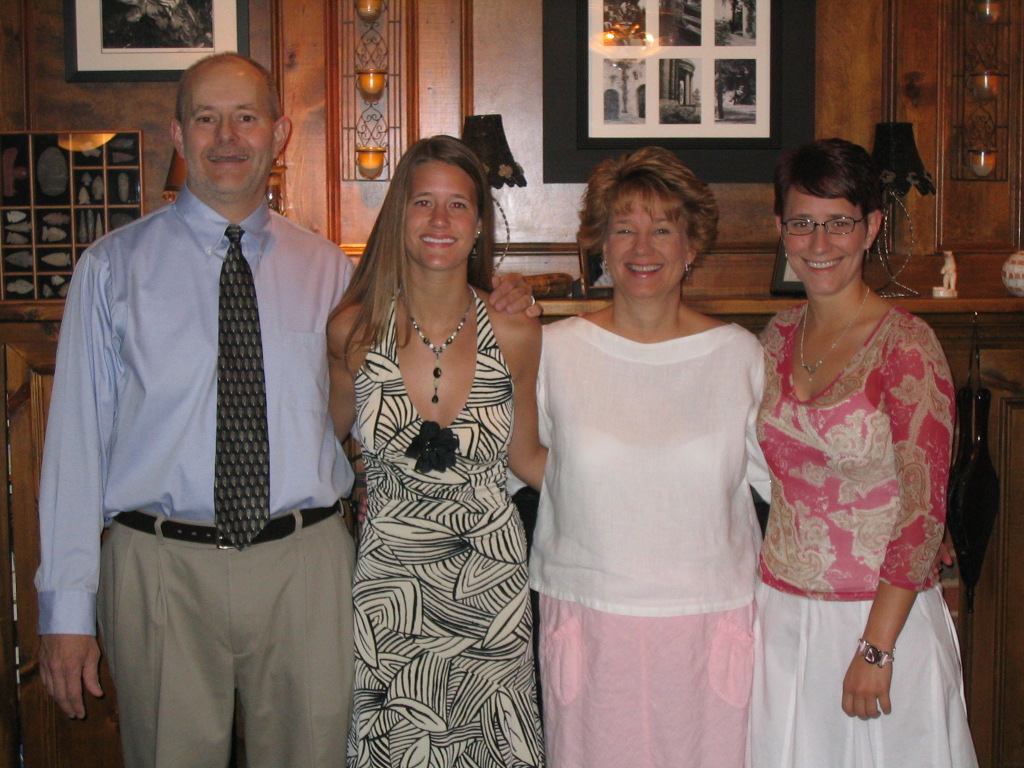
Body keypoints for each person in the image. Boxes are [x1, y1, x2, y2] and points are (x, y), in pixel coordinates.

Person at [35, 54, 537, 768]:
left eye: (246, 117)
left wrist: (502, 298)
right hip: (160, 568)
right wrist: (65, 610)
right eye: (206, 118)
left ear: (278, 134)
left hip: (305, 564)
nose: (227, 136)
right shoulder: (113, 270)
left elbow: (420, 353)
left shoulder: (332, 272)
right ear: (178, 135)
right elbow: (74, 449)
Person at [527, 146, 770, 768]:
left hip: (711, 622)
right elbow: (515, 462)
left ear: (692, 245)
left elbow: (788, 488)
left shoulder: (739, 357)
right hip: (589, 622)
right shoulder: (555, 352)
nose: (642, 247)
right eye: (623, 229)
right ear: (601, 245)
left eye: (662, 229)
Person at [750, 137, 978, 768]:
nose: (819, 242)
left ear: (872, 227)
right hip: (781, 617)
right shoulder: (775, 338)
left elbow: (922, 512)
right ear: (781, 228)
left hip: (880, 622)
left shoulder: (908, 346)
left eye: (840, 222)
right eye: (803, 222)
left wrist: (876, 649)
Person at [327, 135, 546, 767]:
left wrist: (634, 480)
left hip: (491, 586)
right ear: (399, 214)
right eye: (423, 201)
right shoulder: (352, 330)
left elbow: (527, 458)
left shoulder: (515, 331)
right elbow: (320, 443)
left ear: (478, 226)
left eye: (458, 204)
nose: (440, 219)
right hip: (391, 587)